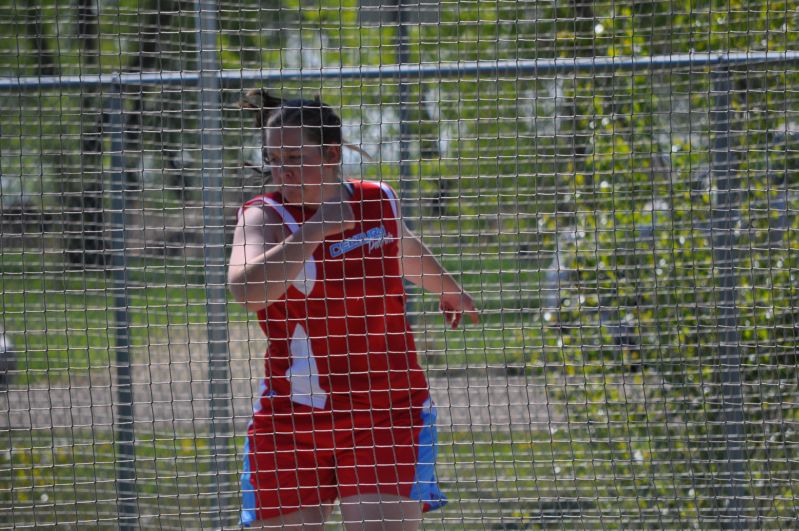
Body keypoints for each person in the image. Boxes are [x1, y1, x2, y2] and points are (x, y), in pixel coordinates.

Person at [228, 90, 479, 530]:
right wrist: (317, 227)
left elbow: (399, 245)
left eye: (294, 156)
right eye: (273, 158)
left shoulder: (378, 199)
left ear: (331, 153)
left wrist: (448, 287)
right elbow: (247, 290)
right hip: (293, 422)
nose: (282, 170)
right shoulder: (263, 216)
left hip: (386, 414)